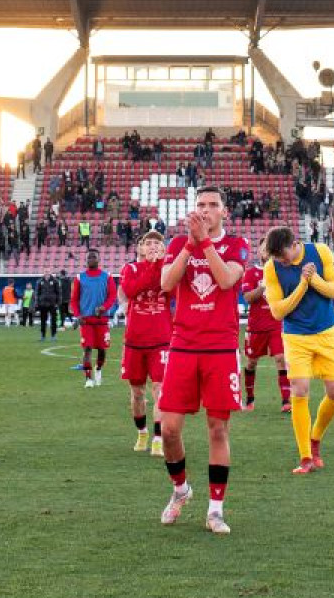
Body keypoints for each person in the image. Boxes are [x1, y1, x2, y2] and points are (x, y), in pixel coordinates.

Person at [156, 187, 247, 535]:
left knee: (217, 428)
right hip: (183, 345)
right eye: (201, 205)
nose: (206, 210)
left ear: (224, 212)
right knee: (169, 428)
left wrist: (205, 243)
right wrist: (192, 244)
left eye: (213, 205)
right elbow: (166, 283)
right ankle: (181, 490)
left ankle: (215, 509)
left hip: (221, 347)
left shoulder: (236, 245)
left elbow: (225, 279)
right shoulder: (180, 244)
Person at [264, 226, 334, 476]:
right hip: (296, 337)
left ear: (293, 244)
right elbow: (278, 311)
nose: (279, 260)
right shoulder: (271, 268)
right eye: (275, 256)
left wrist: (314, 279)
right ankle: (306, 457)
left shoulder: (319, 252)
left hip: (327, 333)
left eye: (281, 255)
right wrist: (302, 284)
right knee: (299, 390)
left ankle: (316, 439)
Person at [121, 232, 171, 456]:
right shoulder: (129, 269)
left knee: (160, 390)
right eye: (148, 243)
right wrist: (151, 265)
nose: (152, 246)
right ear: (139, 248)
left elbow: (171, 288)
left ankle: (158, 438)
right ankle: (142, 432)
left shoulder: (168, 269)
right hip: (135, 340)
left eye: (157, 243)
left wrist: (160, 263)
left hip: (161, 339)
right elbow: (133, 290)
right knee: (137, 393)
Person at [238, 241, 290, 413]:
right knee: (251, 363)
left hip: (276, 324)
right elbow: (248, 298)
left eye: (270, 249)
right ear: (260, 252)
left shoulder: (281, 272)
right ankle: (250, 399)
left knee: (281, 359)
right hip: (256, 326)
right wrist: (263, 285)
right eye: (264, 249)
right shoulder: (251, 273)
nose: (267, 252)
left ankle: (286, 401)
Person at [71, 249, 117, 387]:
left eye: (93, 257)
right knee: (87, 348)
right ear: (85, 260)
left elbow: (112, 296)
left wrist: (104, 307)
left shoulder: (107, 276)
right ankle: (88, 379)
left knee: (102, 350)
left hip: (102, 320)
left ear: (98, 259)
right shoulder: (80, 278)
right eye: (88, 257)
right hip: (86, 320)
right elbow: (74, 300)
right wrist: (78, 315)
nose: (91, 259)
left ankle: (98, 369)